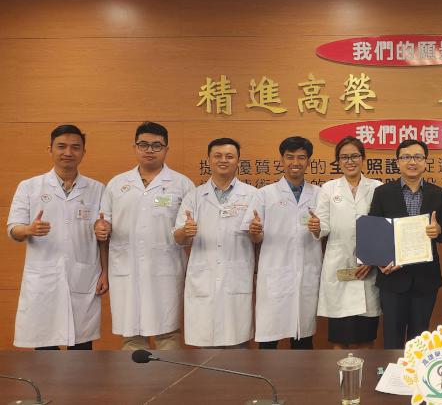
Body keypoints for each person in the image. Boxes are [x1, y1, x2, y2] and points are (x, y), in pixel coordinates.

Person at [7, 124, 106, 350]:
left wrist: (104, 272)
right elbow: (13, 229)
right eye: (61, 146)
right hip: (43, 276)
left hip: (83, 275)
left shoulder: (97, 189)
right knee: (45, 346)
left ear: (83, 152)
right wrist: (28, 230)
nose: (68, 152)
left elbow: (103, 238)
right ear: (50, 149)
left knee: (81, 349)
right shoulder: (29, 187)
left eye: (75, 147)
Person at [97, 122, 194, 350]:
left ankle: (169, 373)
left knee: (167, 332)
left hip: (166, 268)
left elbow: (188, 231)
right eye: (144, 145)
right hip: (126, 267)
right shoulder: (117, 184)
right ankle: (134, 374)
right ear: (135, 147)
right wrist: (101, 228)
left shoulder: (182, 184)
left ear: (166, 149)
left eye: (156, 145)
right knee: (131, 334)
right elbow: (104, 221)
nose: (150, 150)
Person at [368, 139, 442, 349]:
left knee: (419, 339)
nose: (412, 162)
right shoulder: (383, 193)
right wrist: (381, 261)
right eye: (406, 157)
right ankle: (392, 371)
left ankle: (416, 371)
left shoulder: (437, 194)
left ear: (425, 162)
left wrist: (438, 230)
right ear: (397, 162)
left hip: (426, 279)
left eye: (417, 157)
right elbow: (374, 232)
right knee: (392, 337)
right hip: (392, 277)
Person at [174, 138, 257, 348]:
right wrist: (185, 231)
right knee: (206, 346)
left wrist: (257, 232)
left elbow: (259, 237)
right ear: (209, 160)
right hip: (204, 277)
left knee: (238, 345)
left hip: (236, 277)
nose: (223, 160)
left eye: (229, 156)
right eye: (217, 156)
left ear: (238, 161)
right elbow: (178, 237)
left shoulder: (252, 195)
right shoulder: (194, 196)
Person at [242, 136, 321, 350]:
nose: (295, 162)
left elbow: (325, 230)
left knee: (303, 338)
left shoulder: (319, 194)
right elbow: (255, 235)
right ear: (282, 160)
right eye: (290, 157)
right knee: (269, 339)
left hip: (306, 273)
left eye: (301, 158)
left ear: (309, 161)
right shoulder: (264, 194)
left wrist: (318, 228)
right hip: (275, 274)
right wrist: (255, 232)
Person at [316, 136, 383, 349]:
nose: (349, 161)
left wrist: (372, 260)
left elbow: (383, 229)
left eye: (354, 156)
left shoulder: (377, 187)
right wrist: (315, 227)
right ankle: (341, 373)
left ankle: (366, 373)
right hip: (339, 266)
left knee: (366, 337)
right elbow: (322, 226)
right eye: (344, 157)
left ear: (363, 158)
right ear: (338, 161)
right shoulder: (329, 188)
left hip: (368, 268)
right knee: (339, 338)